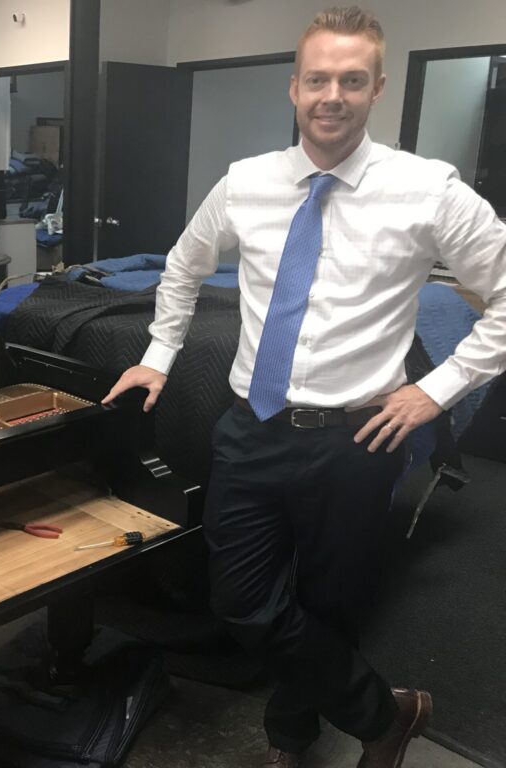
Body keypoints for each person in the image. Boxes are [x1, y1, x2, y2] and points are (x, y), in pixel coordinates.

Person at [102, 6, 506, 768]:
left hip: (359, 437)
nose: (333, 95)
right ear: (294, 88)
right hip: (251, 427)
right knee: (243, 601)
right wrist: (158, 353)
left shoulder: (429, 190)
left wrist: (437, 390)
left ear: (376, 88)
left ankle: (291, 742)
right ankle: (385, 713)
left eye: (352, 80)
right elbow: (183, 266)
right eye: (317, 78)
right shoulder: (246, 182)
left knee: (330, 602)